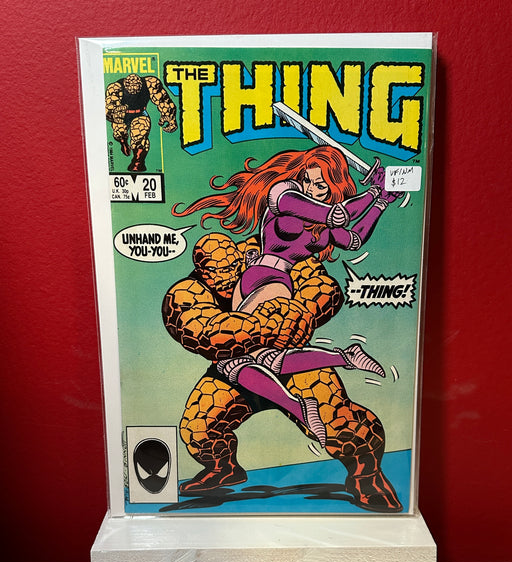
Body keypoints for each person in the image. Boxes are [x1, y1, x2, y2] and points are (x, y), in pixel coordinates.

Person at [171, 146, 399, 445]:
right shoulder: (284, 194)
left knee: (232, 362)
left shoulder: (323, 228)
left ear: (333, 187)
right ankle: (344, 357)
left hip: (275, 282)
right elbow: (338, 215)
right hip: (251, 280)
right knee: (266, 358)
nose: (311, 188)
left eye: (320, 185)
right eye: (308, 180)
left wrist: (381, 201)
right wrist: (375, 192)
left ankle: (300, 405)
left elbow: (353, 239)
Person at [162, 232, 403, 513]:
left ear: (241, 259)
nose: (227, 277)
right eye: (217, 272)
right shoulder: (186, 292)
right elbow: (203, 331)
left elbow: (322, 287)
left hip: (291, 362)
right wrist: (269, 323)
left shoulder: (269, 251)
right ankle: (222, 468)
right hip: (234, 373)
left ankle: (367, 477)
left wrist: (302, 311)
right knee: (198, 428)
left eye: (232, 268)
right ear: (202, 270)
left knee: (342, 422)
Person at [105, 73, 177, 172]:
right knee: (120, 132)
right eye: (131, 88)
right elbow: (108, 109)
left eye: (136, 87)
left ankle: (138, 162)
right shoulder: (115, 88)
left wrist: (169, 117)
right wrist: (116, 112)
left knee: (139, 135)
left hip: (140, 113)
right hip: (121, 116)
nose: (133, 90)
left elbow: (164, 101)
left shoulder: (150, 83)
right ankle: (124, 143)